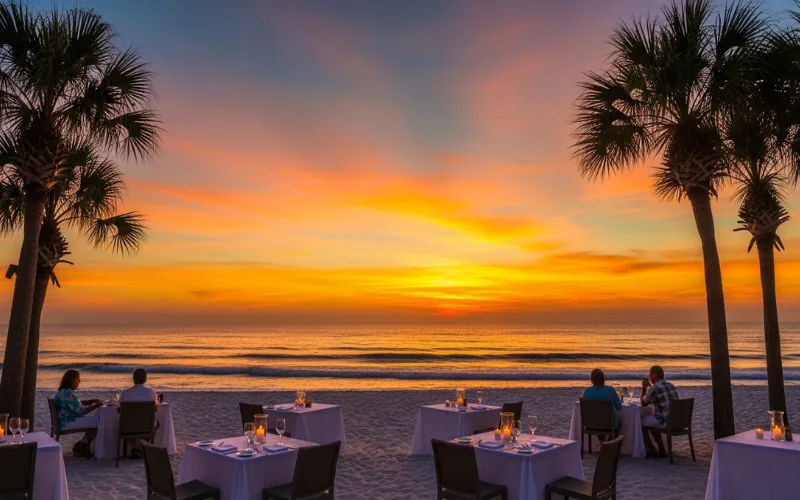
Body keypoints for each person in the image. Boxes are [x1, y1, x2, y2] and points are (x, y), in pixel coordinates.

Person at [54, 369, 103, 457]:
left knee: (95, 420)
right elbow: (81, 411)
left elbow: (74, 403)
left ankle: (82, 445)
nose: (79, 381)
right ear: (72, 380)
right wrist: (96, 406)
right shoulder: (68, 393)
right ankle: (82, 445)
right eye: (78, 379)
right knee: (100, 421)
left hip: (63, 420)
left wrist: (90, 401)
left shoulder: (62, 391)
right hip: (68, 422)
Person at [640, 365, 679, 457]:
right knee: (651, 421)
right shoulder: (671, 385)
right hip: (677, 421)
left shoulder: (656, 388)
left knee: (641, 422)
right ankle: (661, 450)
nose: (649, 376)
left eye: (650, 374)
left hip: (665, 421)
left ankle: (652, 450)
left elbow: (643, 403)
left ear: (654, 375)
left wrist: (644, 388)